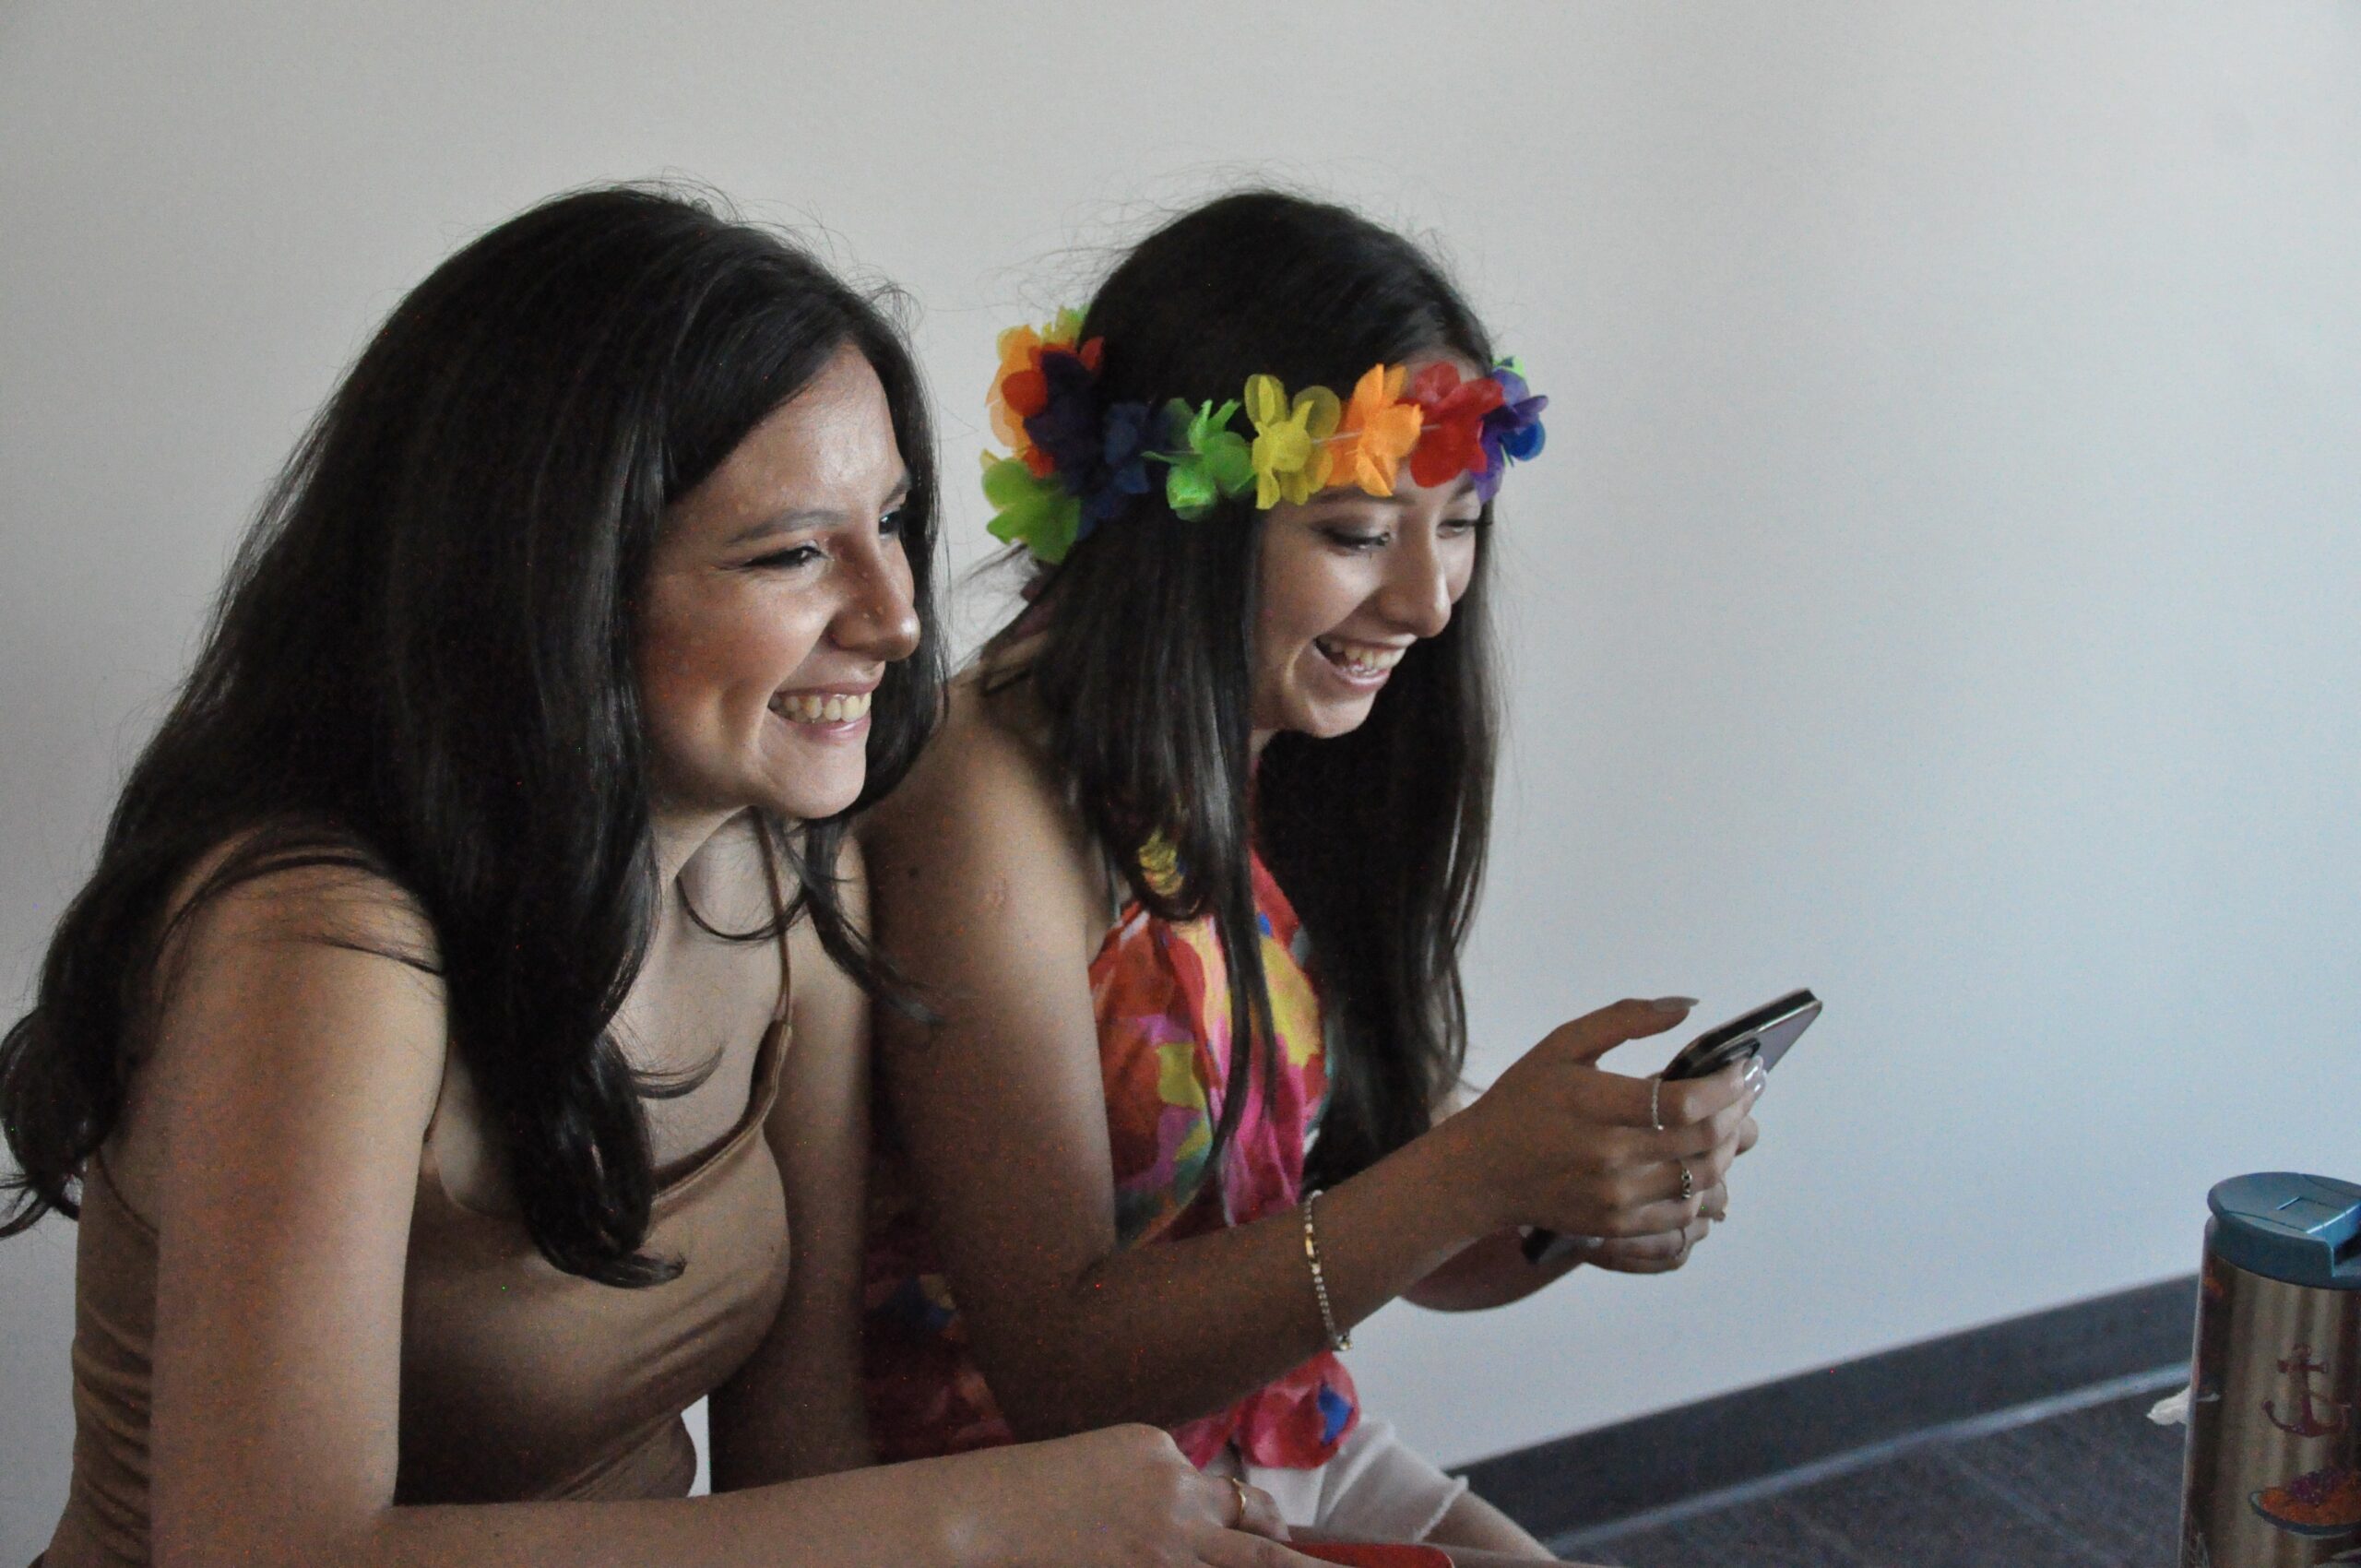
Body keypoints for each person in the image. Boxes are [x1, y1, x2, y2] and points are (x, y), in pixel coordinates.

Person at [0, 185, 1313, 1568]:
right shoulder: (322, 945)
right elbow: (260, 1554)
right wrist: (986, 1518)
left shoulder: (788, 878)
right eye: (794, 552)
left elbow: (800, 1459)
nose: (895, 615)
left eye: (891, 521)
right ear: (555, 581)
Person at [859, 190, 1764, 1561]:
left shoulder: (1272, 748)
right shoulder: (987, 803)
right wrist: (1472, 1172)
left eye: (1459, 523)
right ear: (1182, 517)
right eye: (1356, 532)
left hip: (1283, 1438)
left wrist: (1569, 1193)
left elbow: (1388, 1217)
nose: (1429, 601)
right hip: (1047, 1512)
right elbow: (1061, 1372)